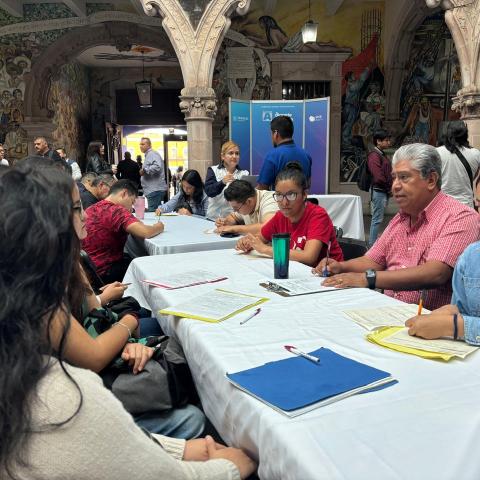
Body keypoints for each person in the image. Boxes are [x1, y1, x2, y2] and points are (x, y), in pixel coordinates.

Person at [0, 167, 256, 480]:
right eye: (77, 209)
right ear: (52, 230)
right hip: (98, 401)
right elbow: (101, 426)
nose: (85, 222)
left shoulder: (22, 308)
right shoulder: (59, 367)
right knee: (188, 414)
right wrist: (229, 466)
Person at [315, 143, 480, 310]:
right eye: (394, 177)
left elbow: (436, 273)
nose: (395, 186)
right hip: (387, 311)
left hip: (428, 324)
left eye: (404, 177)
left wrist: (368, 279)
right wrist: (341, 266)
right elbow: (373, 260)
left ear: (431, 180)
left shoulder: (459, 217)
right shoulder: (400, 219)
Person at [236, 163, 343, 267]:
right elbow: (259, 239)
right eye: (279, 195)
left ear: (304, 194)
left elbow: (309, 257)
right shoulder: (280, 216)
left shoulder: (318, 215)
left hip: (328, 276)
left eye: (291, 195)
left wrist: (265, 249)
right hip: (296, 272)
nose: (284, 202)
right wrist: (247, 242)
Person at [82, 180, 165, 283]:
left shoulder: (91, 208)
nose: (131, 207)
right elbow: (145, 232)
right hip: (105, 271)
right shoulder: (117, 211)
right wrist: (159, 226)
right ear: (124, 193)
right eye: (132, 202)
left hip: (87, 271)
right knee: (145, 265)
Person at [405, 241, 480, 345]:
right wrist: (452, 311)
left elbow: (458, 324)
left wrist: (452, 325)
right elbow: (462, 309)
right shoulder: (471, 254)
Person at [257, 115, 312, 190]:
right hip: (300, 201)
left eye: (271, 133)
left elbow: (262, 188)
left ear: (276, 134)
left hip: (279, 201)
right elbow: (308, 185)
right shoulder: (306, 155)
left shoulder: (272, 156)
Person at [438, 120, 480, 207]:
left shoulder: (437, 152)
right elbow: (474, 175)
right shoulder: (476, 153)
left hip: (443, 205)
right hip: (466, 205)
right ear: (465, 134)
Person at [205, 141, 249, 219]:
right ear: (223, 156)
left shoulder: (244, 174)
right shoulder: (213, 170)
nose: (234, 156)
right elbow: (209, 192)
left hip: (236, 219)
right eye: (231, 153)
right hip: (214, 218)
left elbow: (247, 198)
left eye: (237, 153)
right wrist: (222, 182)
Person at [367, 129, 392, 246]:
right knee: (376, 219)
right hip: (379, 191)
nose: (389, 142)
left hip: (382, 190)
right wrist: (388, 187)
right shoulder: (374, 155)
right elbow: (378, 176)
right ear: (378, 141)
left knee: (378, 219)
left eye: (388, 140)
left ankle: (373, 244)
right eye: (386, 140)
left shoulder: (381, 154)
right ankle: (372, 245)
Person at [139, 137, 168, 211]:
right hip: (153, 190)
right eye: (140, 144)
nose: (140, 146)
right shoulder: (149, 154)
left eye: (143, 144)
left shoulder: (152, 153)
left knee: (153, 214)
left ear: (149, 145)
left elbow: (157, 166)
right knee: (154, 213)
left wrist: (145, 170)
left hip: (155, 190)